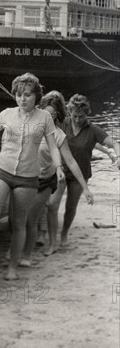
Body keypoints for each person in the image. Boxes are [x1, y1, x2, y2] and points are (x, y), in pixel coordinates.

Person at [0, 73, 61, 282]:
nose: (22, 99)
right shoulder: (6, 114)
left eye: (27, 95)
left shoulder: (45, 118)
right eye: (18, 94)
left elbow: (53, 146)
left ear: (36, 96)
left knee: (18, 223)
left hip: (28, 176)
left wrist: (59, 167)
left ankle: (12, 267)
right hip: (1, 168)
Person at [19, 92, 94, 265]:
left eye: (53, 114)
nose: (48, 117)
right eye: (46, 112)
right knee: (20, 213)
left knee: (44, 209)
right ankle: (25, 245)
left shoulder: (58, 134)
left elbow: (71, 162)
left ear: (58, 115)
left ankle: (44, 245)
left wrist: (86, 188)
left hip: (46, 178)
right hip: (26, 176)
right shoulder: (28, 125)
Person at [47, 94, 120, 250]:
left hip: (80, 174)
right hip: (61, 170)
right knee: (52, 205)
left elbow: (113, 143)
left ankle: (64, 234)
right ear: (69, 113)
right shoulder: (63, 124)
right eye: (74, 116)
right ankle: (52, 241)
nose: (77, 120)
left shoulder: (93, 130)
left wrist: (116, 155)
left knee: (71, 207)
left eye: (81, 116)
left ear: (87, 114)